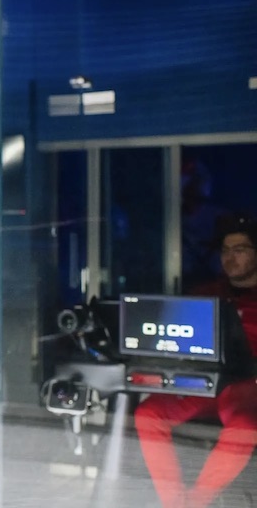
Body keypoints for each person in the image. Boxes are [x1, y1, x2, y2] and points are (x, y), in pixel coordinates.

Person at [134, 213, 257, 508]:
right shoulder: (205, 294)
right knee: (147, 414)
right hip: (202, 381)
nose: (230, 257)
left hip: (247, 385)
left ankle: (196, 503)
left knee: (245, 427)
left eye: (239, 249)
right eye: (225, 250)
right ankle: (175, 504)